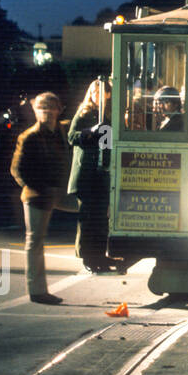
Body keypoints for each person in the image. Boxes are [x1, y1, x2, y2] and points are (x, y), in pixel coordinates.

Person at [11, 92, 73, 304]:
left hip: (60, 192)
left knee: (94, 208)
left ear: (59, 110)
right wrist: (39, 187)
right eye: (42, 108)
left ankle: (97, 256)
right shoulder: (29, 137)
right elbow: (17, 170)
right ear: (35, 111)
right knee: (35, 241)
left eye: (51, 107)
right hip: (38, 195)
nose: (47, 112)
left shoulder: (63, 130)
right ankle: (37, 291)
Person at [68, 79, 115, 272]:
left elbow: (110, 143)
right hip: (87, 171)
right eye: (95, 92)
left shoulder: (110, 114)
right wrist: (89, 132)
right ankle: (87, 257)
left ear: (108, 94)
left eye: (102, 92)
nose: (98, 96)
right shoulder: (84, 112)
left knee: (101, 217)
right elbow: (71, 136)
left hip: (102, 171)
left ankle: (100, 255)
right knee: (87, 217)